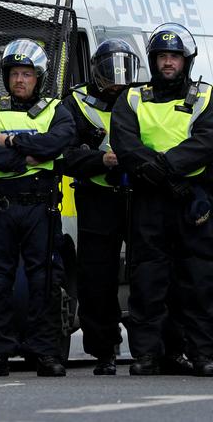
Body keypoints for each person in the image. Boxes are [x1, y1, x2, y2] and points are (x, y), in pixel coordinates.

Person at [61, 39, 169, 375]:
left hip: (140, 194)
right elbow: (65, 153)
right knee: (97, 277)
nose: (118, 82)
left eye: (125, 73)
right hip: (97, 196)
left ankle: (150, 349)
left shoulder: (141, 97)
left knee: (146, 273)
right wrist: (100, 160)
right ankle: (103, 350)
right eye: (111, 74)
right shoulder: (76, 103)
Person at [111, 22, 213, 377]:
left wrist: (165, 166)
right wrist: (157, 171)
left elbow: (206, 140)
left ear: (186, 61)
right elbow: (124, 141)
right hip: (149, 200)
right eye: (162, 57)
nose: (168, 63)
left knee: (198, 280)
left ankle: (202, 354)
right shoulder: (132, 97)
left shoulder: (205, 97)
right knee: (148, 280)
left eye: (174, 57)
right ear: (152, 61)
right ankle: (147, 355)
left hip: (192, 203)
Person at [0, 40, 75, 377]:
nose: (20, 80)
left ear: (38, 77)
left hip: (40, 208)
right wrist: (27, 159)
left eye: (26, 74)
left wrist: (13, 141)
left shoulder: (56, 109)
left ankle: (44, 351)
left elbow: (58, 142)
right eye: (14, 73)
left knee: (44, 281)